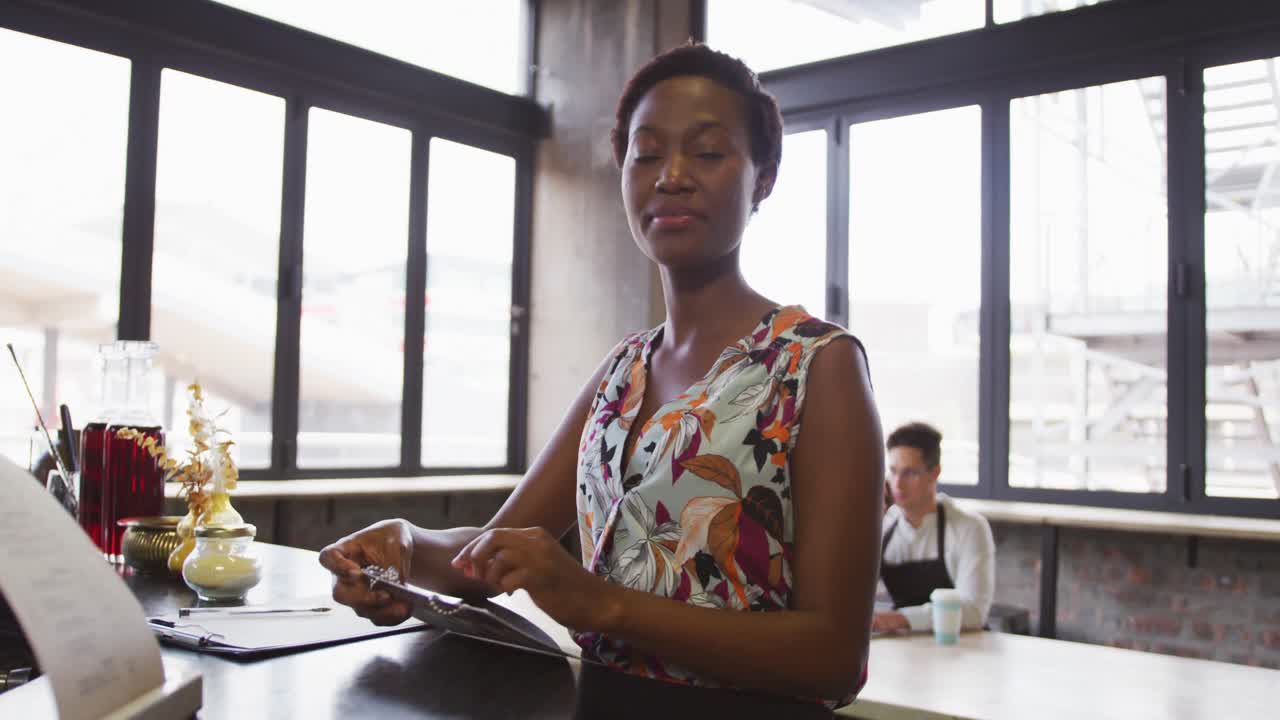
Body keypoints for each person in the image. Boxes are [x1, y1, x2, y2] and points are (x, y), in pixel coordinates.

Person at [319, 43, 884, 709]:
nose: (671, 175)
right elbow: (489, 555)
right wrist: (405, 549)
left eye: (707, 152)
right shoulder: (622, 373)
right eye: (646, 155)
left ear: (763, 177)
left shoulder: (817, 366)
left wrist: (602, 605)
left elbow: (835, 659)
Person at [872, 422, 994, 634]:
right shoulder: (883, 525)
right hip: (903, 648)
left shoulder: (970, 528)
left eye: (910, 473)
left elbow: (974, 611)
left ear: (934, 473)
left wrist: (896, 619)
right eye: (893, 471)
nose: (898, 484)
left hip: (963, 647)